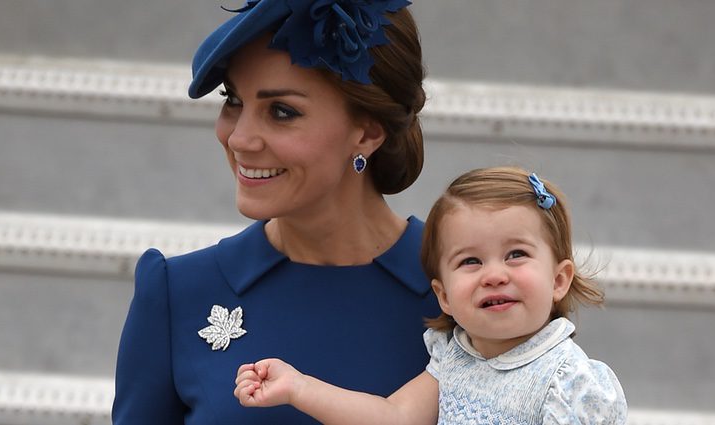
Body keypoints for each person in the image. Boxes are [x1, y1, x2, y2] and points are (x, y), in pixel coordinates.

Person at [112, 0, 440, 423]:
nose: (240, 139)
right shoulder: (177, 294)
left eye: (282, 112)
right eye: (232, 100)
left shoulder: (471, 289)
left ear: (368, 131)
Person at [235, 166, 628, 424]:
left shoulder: (570, 381)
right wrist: (299, 387)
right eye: (471, 261)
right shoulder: (454, 356)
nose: (494, 275)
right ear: (443, 296)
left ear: (559, 280)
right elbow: (394, 416)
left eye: (516, 255)